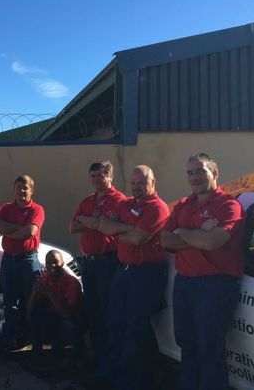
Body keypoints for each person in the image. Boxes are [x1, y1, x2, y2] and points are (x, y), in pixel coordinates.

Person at [161, 153, 245, 390]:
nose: (195, 177)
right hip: (184, 283)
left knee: (210, 350)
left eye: (201, 171)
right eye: (190, 172)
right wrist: (198, 234)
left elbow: (212, 242)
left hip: (215, 286)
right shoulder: (184, 205)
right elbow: (165, 239)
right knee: (187, 346)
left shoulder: (229, 205)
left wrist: (182, 232)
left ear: (214, 173)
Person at [97, 165, 169, 390]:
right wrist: (128, 228)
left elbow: (138, 238)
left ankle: (128, 382)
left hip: (145, 275)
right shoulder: (126, 204)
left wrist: (118, 229)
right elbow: (103, 225)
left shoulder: (158, 207)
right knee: (114, 325)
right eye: (133, 183)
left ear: (153, 183)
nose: (136, 187)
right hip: (123, 271)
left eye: (142, 183)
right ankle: (109, 375)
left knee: (134, 331)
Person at [69, 161, 126, 370]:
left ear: (110, 177)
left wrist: (88, 221)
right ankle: (96, 357)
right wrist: (91, 220)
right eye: (92, 176)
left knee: (108, 311)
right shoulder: (87, 201)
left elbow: (105, 226)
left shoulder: (119, 201)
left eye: (100, 176)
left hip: (108, 262)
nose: (95, 180)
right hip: (89, 263)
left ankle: (111, 363)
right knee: (93, 310)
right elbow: (73, 227)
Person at [0, 175, 45, 351]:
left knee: (31, 300)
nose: (22, 191)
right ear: (14, 189)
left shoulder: (37, 209)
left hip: (27, 260)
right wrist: (19, 229)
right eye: (19, 188)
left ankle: (33, 341)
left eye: (25, 188)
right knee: (10, 302)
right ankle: (10, 340)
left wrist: (10, 231)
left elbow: (30, 232)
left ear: (32, 190)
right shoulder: (6, 208)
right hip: (9, 259)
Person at [27, 249, 83, 362]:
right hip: (56, 315)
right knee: (36, 315)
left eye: (55, 262)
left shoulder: (72, 282)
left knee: (68, 324)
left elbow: (68, 314)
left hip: (75, 319)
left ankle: (76, 352)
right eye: (49, 262)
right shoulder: (44, 279)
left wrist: (49, 293)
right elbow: (29, 312)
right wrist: (34, 293)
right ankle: (37, 353)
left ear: (62, 264)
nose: (52, 265)